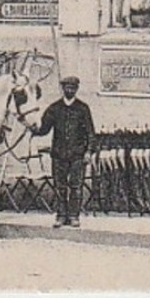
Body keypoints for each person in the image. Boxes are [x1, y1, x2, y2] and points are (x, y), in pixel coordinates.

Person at [33, 74, 96, 227]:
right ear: (62, 89)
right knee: (60, 186)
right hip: (58, 155)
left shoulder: (83, 108)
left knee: (76, 186)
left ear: (76, 89)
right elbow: (44, 129)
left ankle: (74, 216)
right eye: (67, 87)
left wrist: (88, 152)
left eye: (73, 88)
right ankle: (61, 216)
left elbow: (90, 133)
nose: (70, 90)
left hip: (77, 155)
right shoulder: (54, 108)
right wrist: (32, 127)